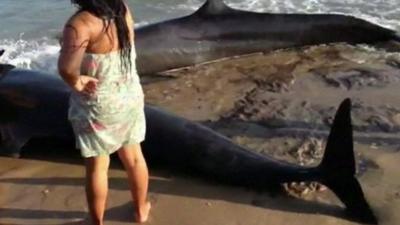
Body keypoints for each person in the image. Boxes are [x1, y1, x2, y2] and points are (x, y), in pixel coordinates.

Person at [57, 0, 150, 224]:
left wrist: (77, 82)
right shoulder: (121, 8)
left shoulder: (80, 24)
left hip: (100, 104)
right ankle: (140, 211)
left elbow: (67, 68)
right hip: (129, 95)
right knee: (135, 158)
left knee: (98, 167)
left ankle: (96, 221)